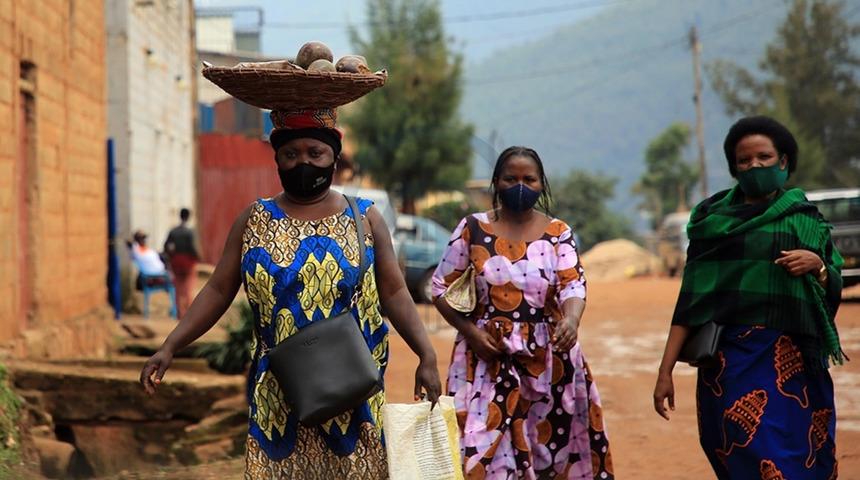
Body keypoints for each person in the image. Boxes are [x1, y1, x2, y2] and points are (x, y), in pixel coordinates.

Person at [139, 108, 442, 479]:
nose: (303, 162)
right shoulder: (254, 220)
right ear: (277, 160)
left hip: (353, 394)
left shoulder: (364, 218)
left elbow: (394, 291)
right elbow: (218, 290)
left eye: (315, 153)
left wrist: (426, 354)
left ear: (334, 158)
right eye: (291, 154)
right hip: (278, 396)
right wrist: (170, 345)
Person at [653, 116, 844, 479]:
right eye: (744, 160)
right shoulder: (712, 225)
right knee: (743, 451)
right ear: (734, 167)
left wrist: (817, 266)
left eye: (764, 157)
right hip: (730, 363)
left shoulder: (804, 220)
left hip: (795, 363)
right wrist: (665, 371)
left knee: (796, 456)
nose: (754, 165)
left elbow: (829, 286)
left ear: (783, 161)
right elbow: (690, 303)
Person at [432, 146, 614, 479]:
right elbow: (440, 288)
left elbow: (572, 284)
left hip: (549, 363)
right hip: (485, 359)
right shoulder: (473, 228)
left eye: (528, 179)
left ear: (541, 184)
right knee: (480, 458)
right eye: (510, 178)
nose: (520, 185)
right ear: (496, 183)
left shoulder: (559, 233)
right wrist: (472, 333)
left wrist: (571, 320)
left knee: (552, 457)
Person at [164, 208, 200, 317]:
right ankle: (188, 313)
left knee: (178, 287)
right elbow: (193, 248)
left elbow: (166, 246)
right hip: (188, 261)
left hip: (176, 261)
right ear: (188, 217)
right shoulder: (190, 232)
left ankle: (179, 312)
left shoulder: (173, 231)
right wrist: (198, 257)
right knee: (189, 286)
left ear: (180, 216)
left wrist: (171, 256)